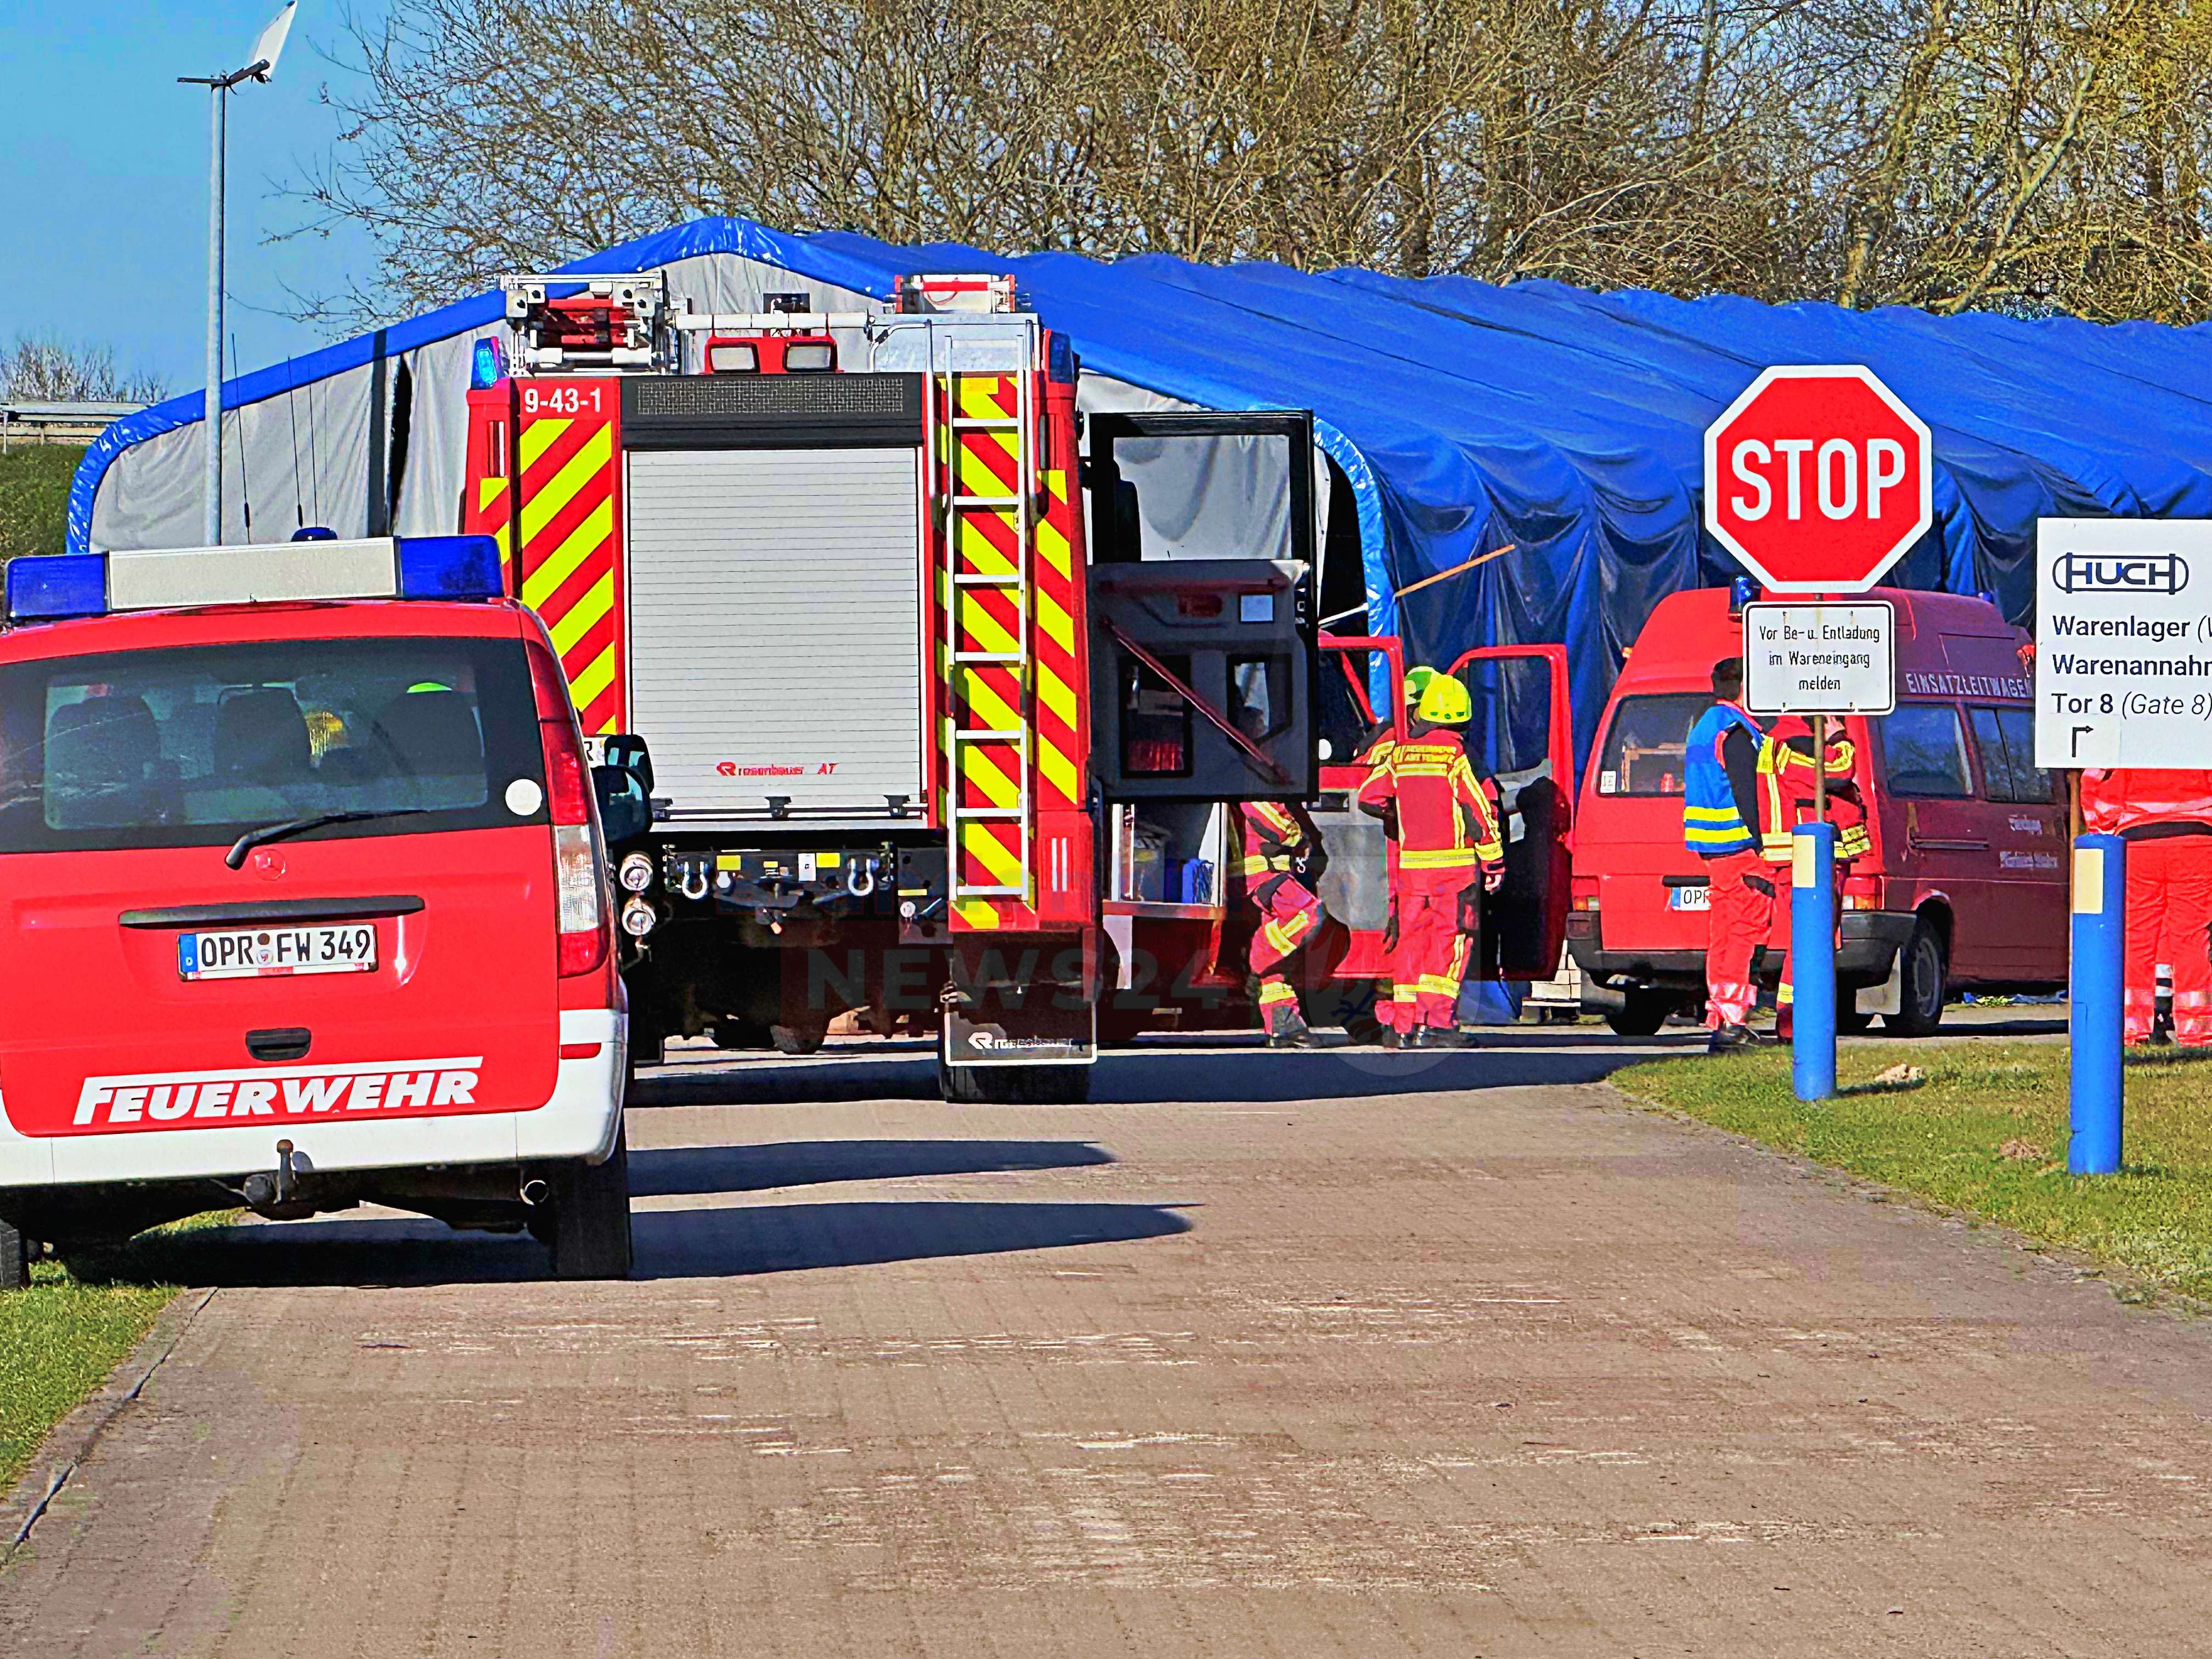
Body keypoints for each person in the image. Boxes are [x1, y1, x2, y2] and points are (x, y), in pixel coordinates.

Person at [1356, 673, 1505, 1048]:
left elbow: (1368, 795)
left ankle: (1403, 1027)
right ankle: (1438, 1025)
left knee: (1411, 944)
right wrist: (1493, 861)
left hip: (1411, 871)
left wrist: (1397, 816)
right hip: (1452, 872)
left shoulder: (1402, 753)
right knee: (1451, 943)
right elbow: (1479, 808)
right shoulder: (1456, 754)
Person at [2079, 768, 2212, 1047]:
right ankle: (2196, 1031)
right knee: (2192, 938)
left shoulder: (2132, 733)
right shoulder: (2201, 728)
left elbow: (2098, 783)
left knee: (2137, 937)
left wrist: (2101, 828)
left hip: (2139, 842)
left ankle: (2132, 1028)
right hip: (2196, 842)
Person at [1758, 716, 1867, 1037]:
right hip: (1810, 855)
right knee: (1810, 938)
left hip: (1806, 854)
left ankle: (1802, 1018)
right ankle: (1794, 1023)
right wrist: (1840, 738)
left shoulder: (1783, 738)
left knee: (1812, 939)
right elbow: (1837, 772)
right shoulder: (1795, 740)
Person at [1683, 657, 1771, 1051]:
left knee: (1722, 932)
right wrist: (1764, 839)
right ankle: (1734, 1021)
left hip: (1714, 847)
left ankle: (1720, 1016)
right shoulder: (1736, 730)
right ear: (1744, 688)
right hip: (1740, 846)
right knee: (1745, 930)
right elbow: (1747, 791)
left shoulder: (1705, 725)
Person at [1231, 796, 1329, 1048]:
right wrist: (1300, 837)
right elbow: (1272, 825)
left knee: (1282, 966)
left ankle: (1284, 1027)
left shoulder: (1276, 786)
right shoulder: (1256, 787)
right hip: (1266, 876)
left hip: (1281, 873)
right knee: (1309, 915)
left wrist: (1308, 838)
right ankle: (1259, 959)